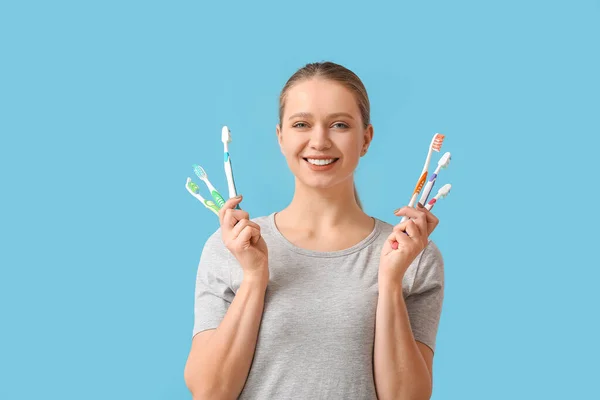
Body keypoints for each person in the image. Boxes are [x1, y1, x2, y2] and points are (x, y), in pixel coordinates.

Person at [184, 61, 444, 400]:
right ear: (281, 137)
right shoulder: (231, 247)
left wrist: (391, 282)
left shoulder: (414, 256)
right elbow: (210, 392)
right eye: (302, 124)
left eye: (339, 124)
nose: (319, 141)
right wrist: (253, 277)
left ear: (365, 138)